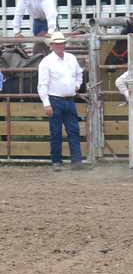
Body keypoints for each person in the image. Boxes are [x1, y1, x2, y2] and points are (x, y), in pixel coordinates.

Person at [37, 32, 84, 171]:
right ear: (51, 45)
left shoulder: (71, 58)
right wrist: (46, 103)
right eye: (56, 43)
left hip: (69, 99)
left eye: (61, 43)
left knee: (73, 131)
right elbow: (42, 84)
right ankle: (56, 161)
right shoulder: (46, 62)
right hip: (55, 100)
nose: (59, 45)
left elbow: (79, 73)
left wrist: (77, 85)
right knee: (56, 132)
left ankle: (76, 160)